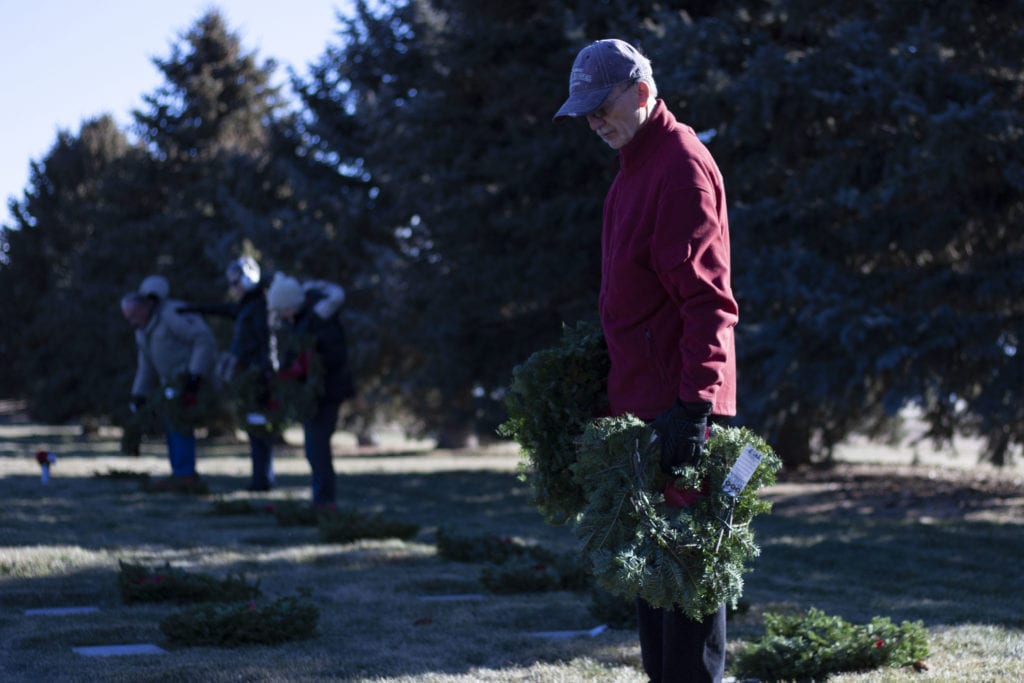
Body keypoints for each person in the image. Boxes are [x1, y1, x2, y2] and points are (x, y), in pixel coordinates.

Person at [554, 39, 739, 683]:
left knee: (686, 586)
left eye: (599, 108)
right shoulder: (634, 163)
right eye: (583, 114)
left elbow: (708, 304)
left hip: (680, 410)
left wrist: (694, 412)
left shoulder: (680, 166)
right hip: (640, 409)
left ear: (639, 91)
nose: (592, 123)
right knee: (652, 583)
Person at [179, 256, 276, 492]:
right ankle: (260, 477)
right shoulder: (248, 306)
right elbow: (226, 310)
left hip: (259, 376)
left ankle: (262, 479)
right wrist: (195, 308)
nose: (232, 289)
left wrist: (257, 371)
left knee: (259, 425)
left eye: (235, 283)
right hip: (251, 374)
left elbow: (263, 343)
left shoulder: (260, 306)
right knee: (253, 425)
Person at [266, 272, 356, 509]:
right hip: (312, 395)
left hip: (328, 393)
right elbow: (292, 353)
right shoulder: (298, 322)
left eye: (282, 309)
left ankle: (325, 501)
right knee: (312, 448)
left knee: (317, 447)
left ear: (291, 304)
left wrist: (308, 365)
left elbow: (334, 356)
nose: (281, 316)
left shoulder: (320, 320)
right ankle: (321, 498)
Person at [121, 275, 217, 491]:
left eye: (133, 315)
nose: (131, 321)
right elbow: (146, 365)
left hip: (187, 382)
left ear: (146, 306)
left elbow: (203, 340)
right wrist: (139, 394)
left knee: (180, 423)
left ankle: (185, 473)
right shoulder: (142, 331)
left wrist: (195, 374)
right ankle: (179, 471)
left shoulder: (172, 315)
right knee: (172, 424)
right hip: (170, 387)